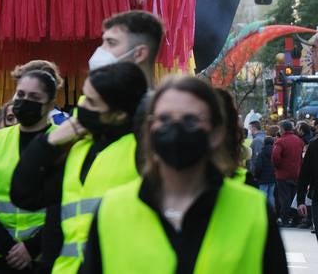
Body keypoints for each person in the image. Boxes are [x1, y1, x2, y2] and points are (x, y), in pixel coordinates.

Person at [83, 75, 288, 274]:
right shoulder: (111, 209)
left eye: (190, 119)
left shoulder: (254, 211)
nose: (175, 128)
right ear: (149, 129)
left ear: (216, 133)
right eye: (164, 119)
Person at [11, 61, 148, 272]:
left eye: (91, 103)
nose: (81, 107)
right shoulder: (79, 148)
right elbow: (24, 195)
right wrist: (48, 142)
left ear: (119, 114)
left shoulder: (142, 152)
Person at [0, 68, 59, 272]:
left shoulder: (64, 141)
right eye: (20, 94)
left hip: (44, 255)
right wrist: (8, 248)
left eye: (34, 97)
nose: (25, 101)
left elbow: (66, 206)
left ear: (50, 104)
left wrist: (31, 248)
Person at [88, 11, 164, 85]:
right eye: (103, 42)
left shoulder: (163, 97)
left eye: (111, 43)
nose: (100, 50)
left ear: (139, 54)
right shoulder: (92, 97)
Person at [272, 119, 304, 226]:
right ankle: (296, 219)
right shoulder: (299, 140)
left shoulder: (280, 141)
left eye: (279, 129)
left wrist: (278, 167)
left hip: (283, 174)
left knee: (284, 198)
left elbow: (275, 157)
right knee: (294, 197)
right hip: (296, 173)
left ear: (282, 129)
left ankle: (285, 219)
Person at [296, 129, 318, 240]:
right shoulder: (314, 146)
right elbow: (304, 175)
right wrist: (300, 201)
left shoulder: (314, 145)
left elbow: (304, 175)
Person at [254, 126, 278, 209]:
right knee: (271, 195)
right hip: (273, 177)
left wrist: (257, 176)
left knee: (262, 196)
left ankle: (264, 213)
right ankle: (272, 212)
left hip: (263, 178)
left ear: (264, 143)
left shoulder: (262, 153)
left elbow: (258, 166)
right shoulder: (275, 152)